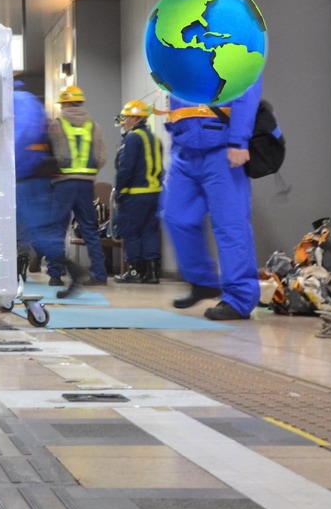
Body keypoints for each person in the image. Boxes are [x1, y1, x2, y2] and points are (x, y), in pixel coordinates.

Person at [161, 38, 263, 320]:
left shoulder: (232, 38)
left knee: (230, 225)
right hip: (184, 151)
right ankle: (204, 280)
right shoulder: (172, 43)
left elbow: (246, 89)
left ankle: (239, 298)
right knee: (175, 216)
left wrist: (239, 141)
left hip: (222, 148)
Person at [14, 78, 90, 298]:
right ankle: (70, 271)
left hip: (27, 175)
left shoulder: (15, 102)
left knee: (35, 229)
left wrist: (11, 166)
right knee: (44, 227)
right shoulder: (30, 101)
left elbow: (20, 139)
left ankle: (73, 271)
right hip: (44, 174)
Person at [44, 85, 108, 286]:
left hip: (63, 183)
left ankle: (55, 274)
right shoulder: (94, 126)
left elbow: (50, 155)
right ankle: (99, 274)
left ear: (68, 103)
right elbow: (101, 157)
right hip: (86, 184)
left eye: (63, 103)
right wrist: (90, 171)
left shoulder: (56, 124)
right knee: (89, 228)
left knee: (56, 229)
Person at [112, 100, 164, 284]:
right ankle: (152, 272)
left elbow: (126, 168)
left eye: (126, 118)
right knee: (150, 231)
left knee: (131, 232)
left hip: (135, 194)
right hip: (155, 193)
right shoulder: (155, 139)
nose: (123, 122)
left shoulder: (132, 138)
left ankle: (134, 271)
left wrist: (119, 191)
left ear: (135, 118)